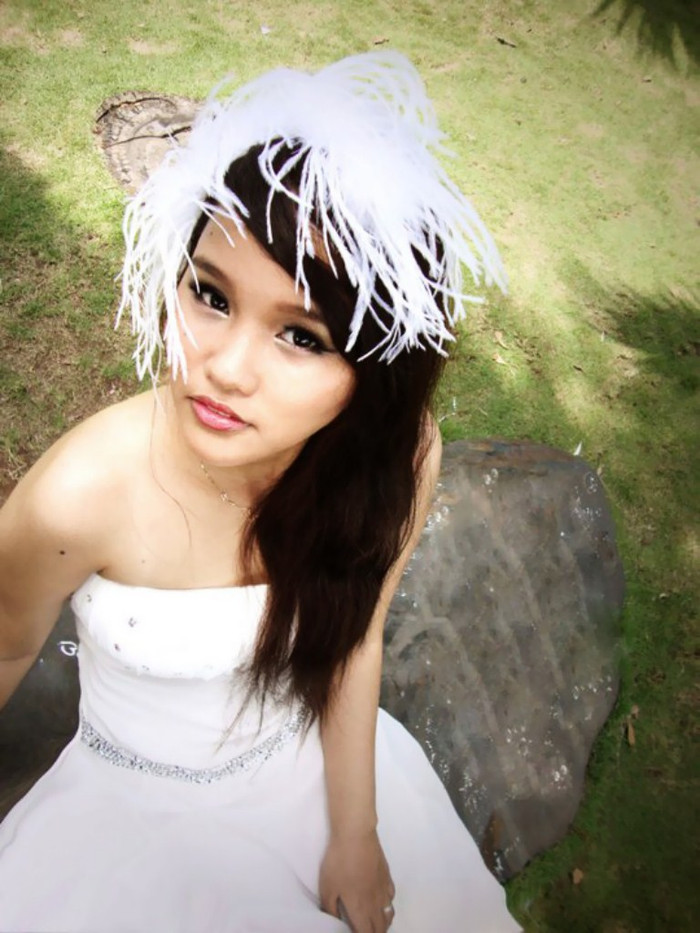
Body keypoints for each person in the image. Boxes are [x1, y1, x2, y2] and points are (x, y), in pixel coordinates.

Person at [0, 51, 519, 932]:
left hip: (314, 776)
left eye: (303, 337)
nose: (226, 368)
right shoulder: (81, 493)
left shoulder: (396, 461)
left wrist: (355, 832)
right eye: (209, 294)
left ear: (374, 372)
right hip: (127, 831)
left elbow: (354, 638)